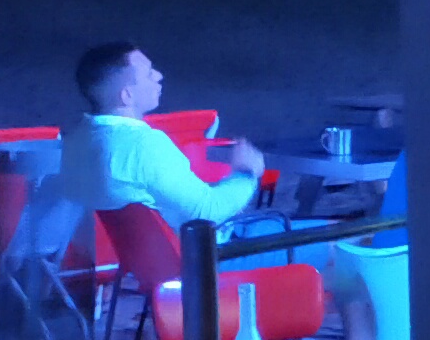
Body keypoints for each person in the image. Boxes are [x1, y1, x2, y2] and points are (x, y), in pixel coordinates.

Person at [45, 41, 265, 236]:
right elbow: (207, 212)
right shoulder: (144, 145)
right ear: (127, 95)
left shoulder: (75, 141)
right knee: (283, 231)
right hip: (202, 257)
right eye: (149, 74)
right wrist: (246, 173)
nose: (159, 76)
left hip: (133, 261)